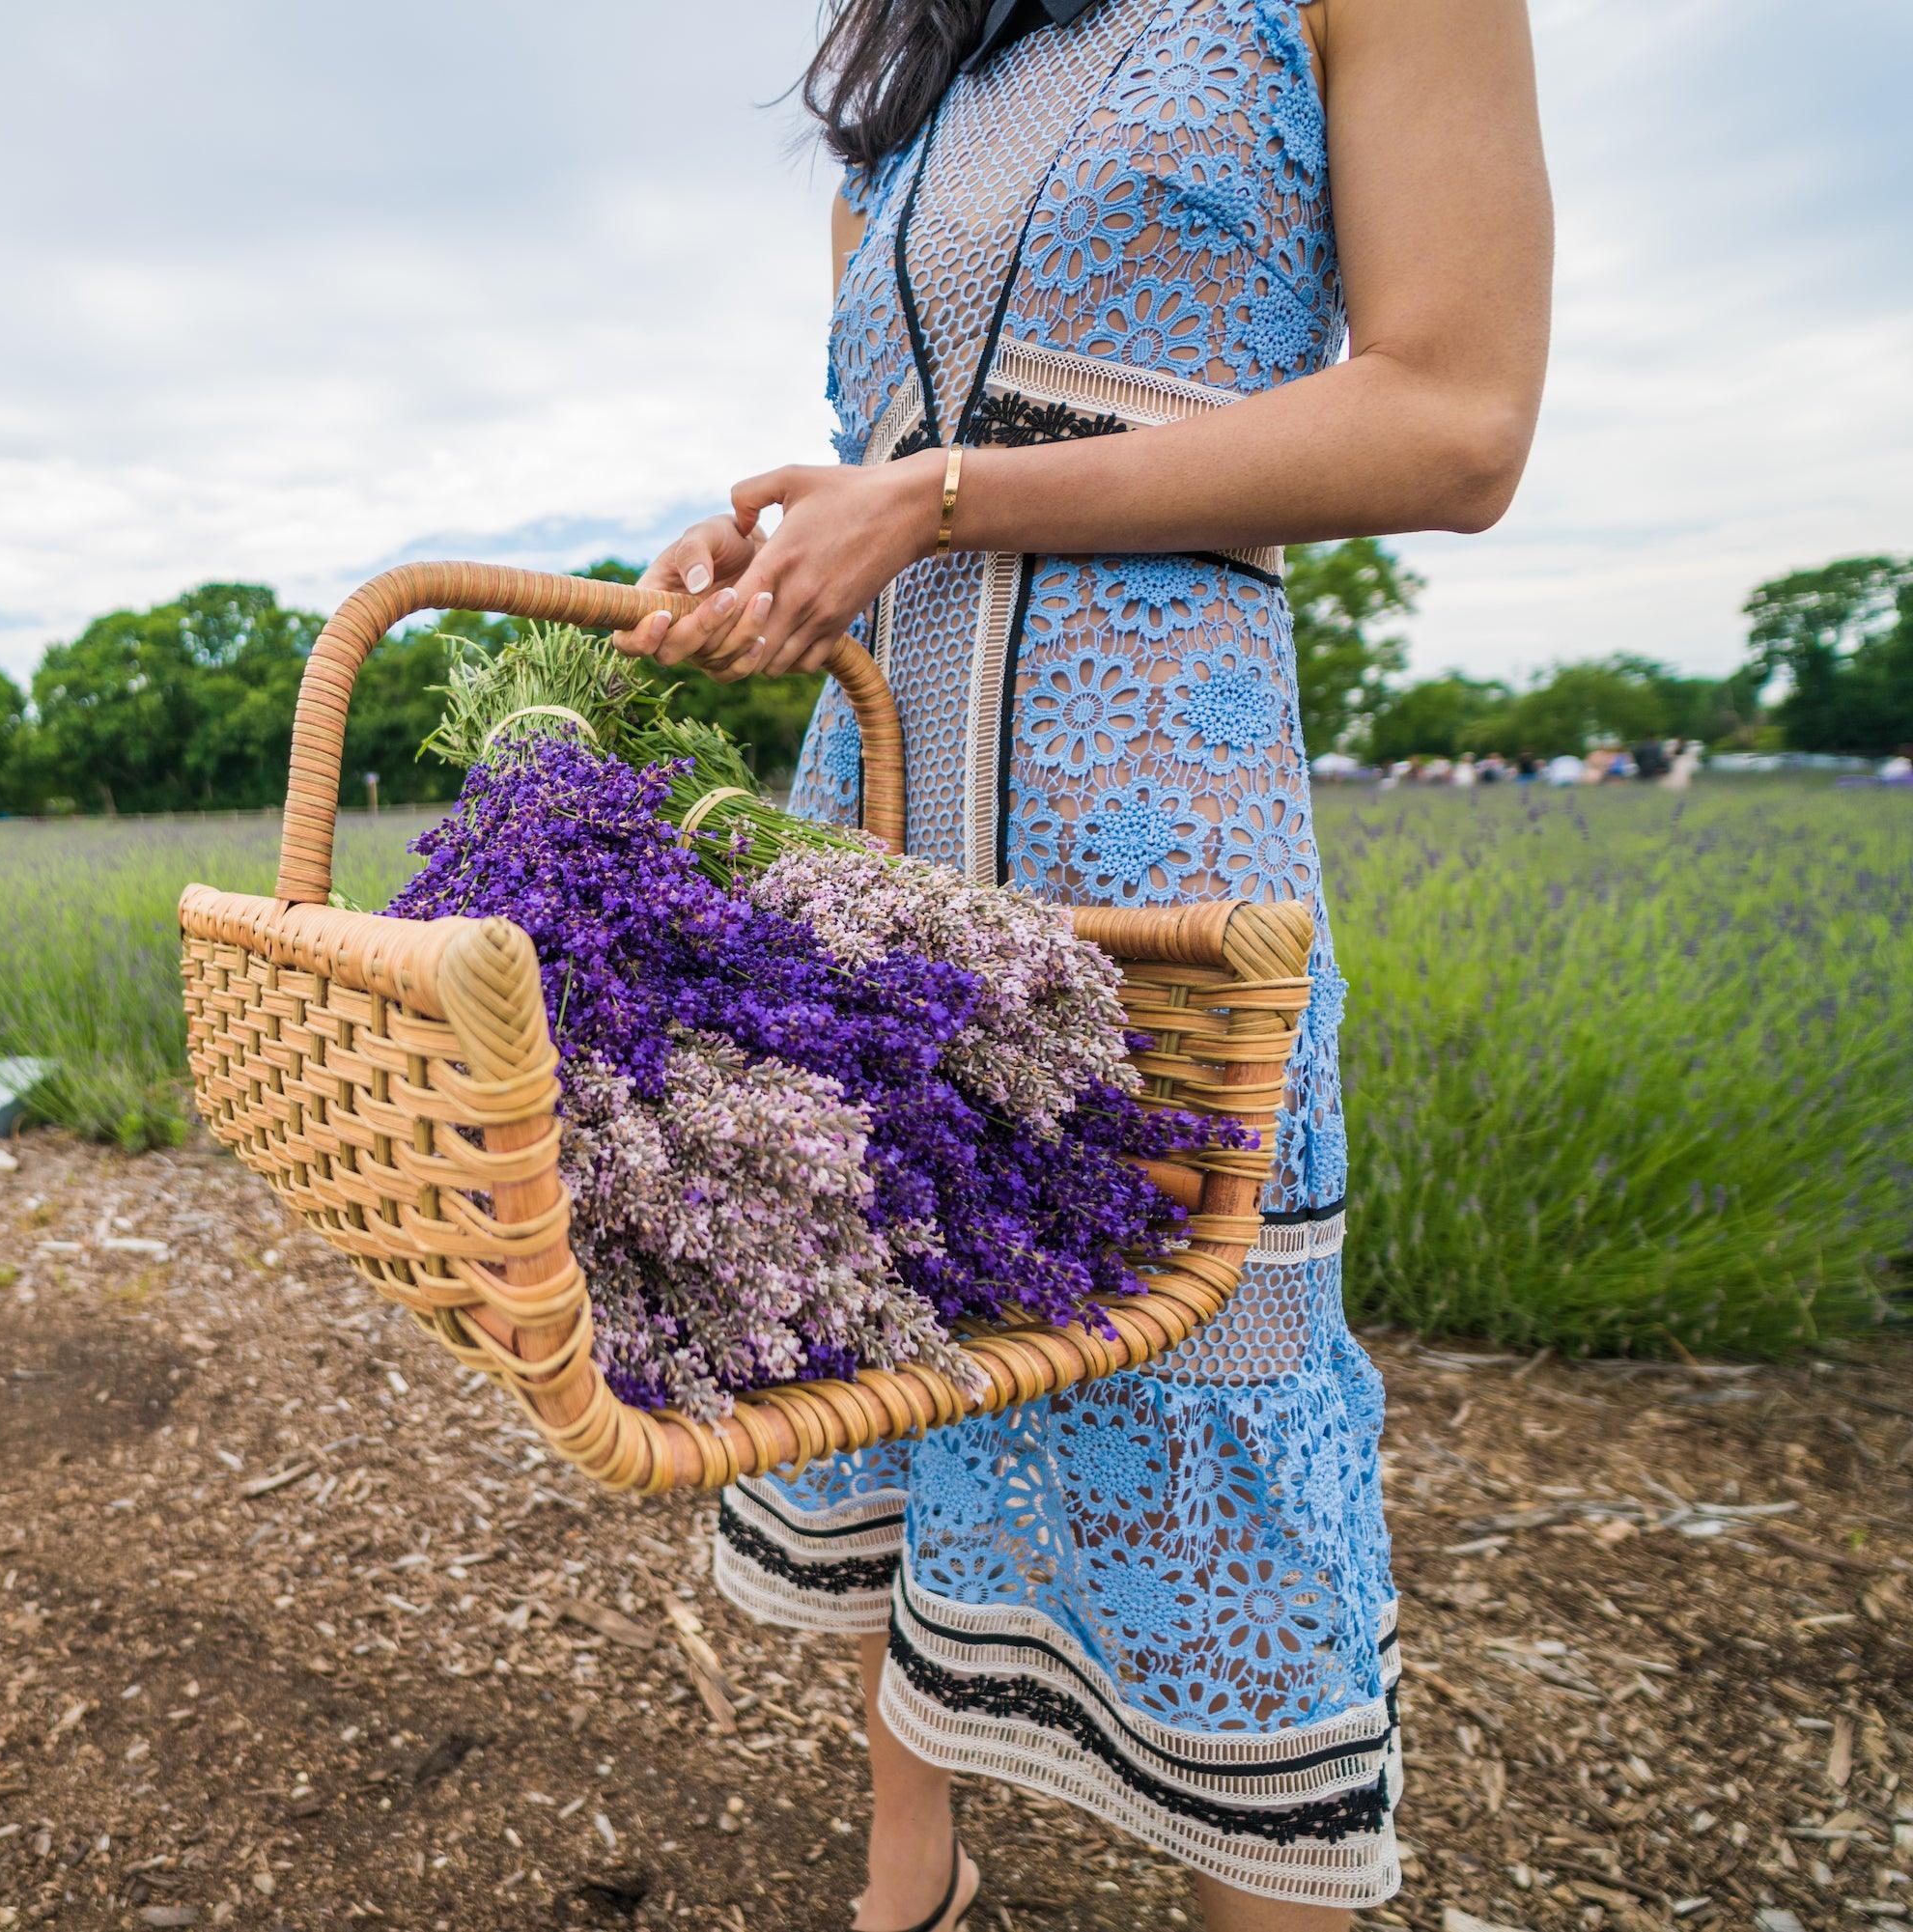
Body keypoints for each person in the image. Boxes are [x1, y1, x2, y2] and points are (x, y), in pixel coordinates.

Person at [610, 1, 1550, 1924]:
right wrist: (787, 549)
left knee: (1190, 1341)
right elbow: (896, 459)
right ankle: (910, 1888)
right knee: (900, 1341)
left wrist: (946, 494)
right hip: (873, 811)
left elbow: (1459, 420)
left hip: (1147, 804)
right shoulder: (914, 61)